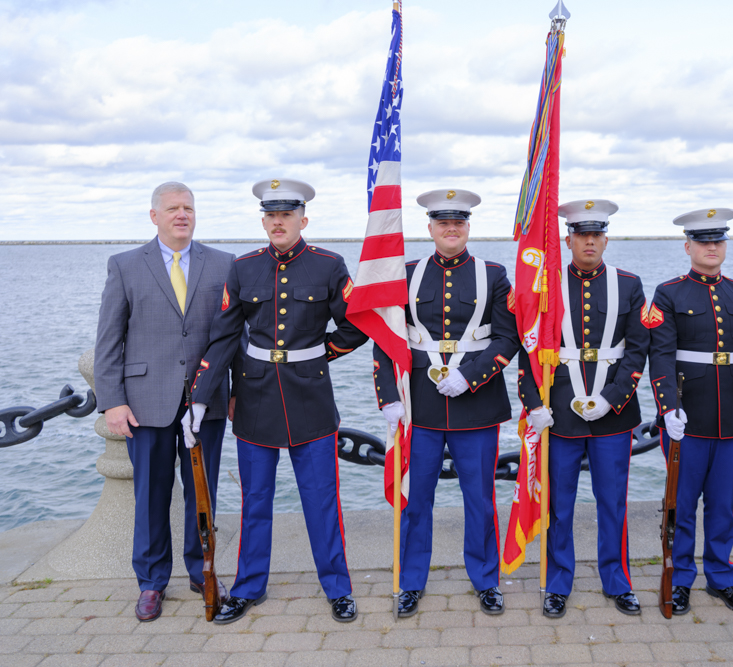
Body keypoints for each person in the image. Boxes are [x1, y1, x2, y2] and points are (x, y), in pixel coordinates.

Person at [184, 178, 369, 624]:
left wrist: (320, 353)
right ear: (263, 220)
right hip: (255, 400)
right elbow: (224, 336)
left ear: (302, 220)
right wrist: (200, 398)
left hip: (310, 400)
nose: (278, 222)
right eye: (271, 215)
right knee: (256, 501)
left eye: (286, 215)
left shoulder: (328, 265)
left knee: (322, 500)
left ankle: (337, 588)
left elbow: (357, 324)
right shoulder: (243, 267)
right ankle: (249, 588)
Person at [374, 189, 519, 617]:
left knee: (480, 497)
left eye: (458, 222)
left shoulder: (494, 275)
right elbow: (387, 340)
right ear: (431, 228)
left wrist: (469, 375)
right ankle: (411, 581)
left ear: (468, 227)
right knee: (415, 498)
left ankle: (486, 579)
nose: (450, 229)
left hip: (476, 402)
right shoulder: (406, 273)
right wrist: (387, 397)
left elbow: (508, 338)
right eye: (443, 223)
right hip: (418, 404)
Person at [95, 182, 234, 622]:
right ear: (154, 215)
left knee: (202, 491)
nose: (182, 215)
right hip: (145, 401)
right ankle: (152, 581)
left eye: (188, 208)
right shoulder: (125, 266)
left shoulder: (224, 265)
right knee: (151, 495)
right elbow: (109, 340)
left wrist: (237, 396)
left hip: (205, 400)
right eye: (172, 208)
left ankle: (201, 571)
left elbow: (235, 337)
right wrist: (112, 401)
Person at [518, 199, 649, 618]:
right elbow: (529, 347)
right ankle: (558, 582)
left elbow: (637, 349)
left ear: (606, 239)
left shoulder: (629, 284)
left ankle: (618, 580)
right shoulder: (545, 284)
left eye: (596, 235)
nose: (589, 241)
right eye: (581, 235)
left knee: (613, 502)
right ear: (568, 239)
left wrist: (612, 398)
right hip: (560, 411)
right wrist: (535, 404)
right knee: (560, 503)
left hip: (613, 412)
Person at [646, 208, 733, 617]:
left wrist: (732, 379)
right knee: (682, 503)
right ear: (688, 247)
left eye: (718, 240)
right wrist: (669, 407)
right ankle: (681, 578)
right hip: (687, 416)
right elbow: (660, 356)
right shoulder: (669, 293)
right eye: (703, 241)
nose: (711, 247)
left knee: (722, 503)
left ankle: (722, 577)